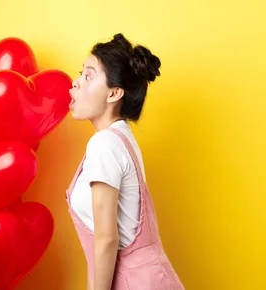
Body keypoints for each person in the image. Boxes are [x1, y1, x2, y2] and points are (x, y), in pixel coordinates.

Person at [66, 33, 184, 290]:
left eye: (88, 76)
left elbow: (107, 239)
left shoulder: (104, 144)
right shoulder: (121, 138)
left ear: (114, 93)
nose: (75, 83)